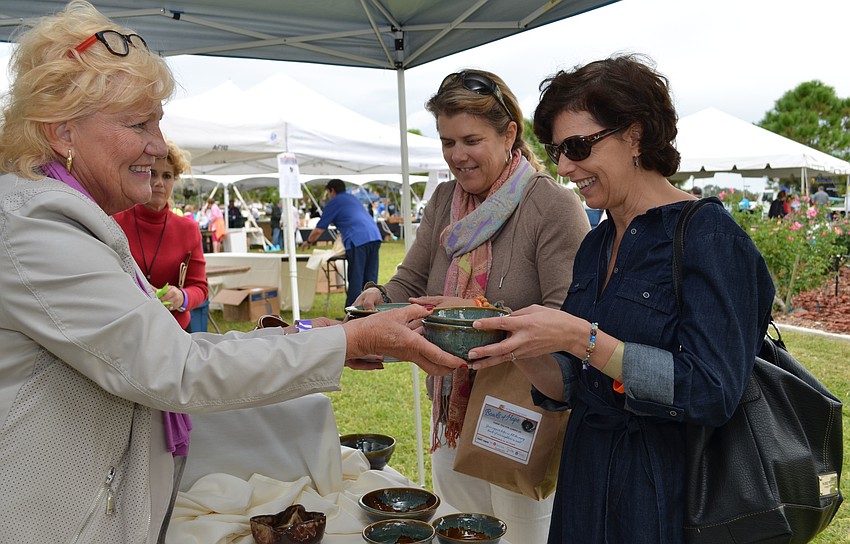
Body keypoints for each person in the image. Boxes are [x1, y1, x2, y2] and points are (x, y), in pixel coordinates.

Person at [0, 3, 465, 542]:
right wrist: (342, 339)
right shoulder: (37, 225)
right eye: (137, 124)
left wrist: (326, 335)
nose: (157, 144)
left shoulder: (57, 216)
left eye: (157, 121)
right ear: (62, 133)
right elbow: (171, 366)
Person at [466, 55, 775, 543]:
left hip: (666, 493)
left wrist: (582, 337)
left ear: (634, 136)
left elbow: (712, 390)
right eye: (556, 151)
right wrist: (519, 344)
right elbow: (574, 384)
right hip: (587, 479)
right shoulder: (597, 241)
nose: (566, 166)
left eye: (578, 146)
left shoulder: (709, 236)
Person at [352, 69, 590, 543]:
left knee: (523, 533)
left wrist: (477, 310)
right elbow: (412, 278)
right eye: (446, 142)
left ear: (509, 134)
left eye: (470, 140)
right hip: (453, 408)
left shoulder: (553, 207)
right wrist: (379, 296)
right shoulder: (444, 199)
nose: (457, 156)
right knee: (457, 525)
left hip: (519, 408)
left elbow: (568, 318)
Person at [114, 140, 208, 332]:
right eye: (151, 173)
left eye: (167, 176)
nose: (158, 183)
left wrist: (182, 297)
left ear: (174, 180)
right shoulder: (114, 221)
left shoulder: (188, 228)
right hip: (129, 328)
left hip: (176, 329)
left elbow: (200, 287)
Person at [300, 178, 383, 308]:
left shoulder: (334, 202)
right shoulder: (352, 198)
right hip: (374, 235)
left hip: (358, 239)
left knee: (356, 278)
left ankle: (352, 313)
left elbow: (319, 229)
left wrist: (308, 242)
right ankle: (371, 309)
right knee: (370, 279)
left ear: (331, 191)